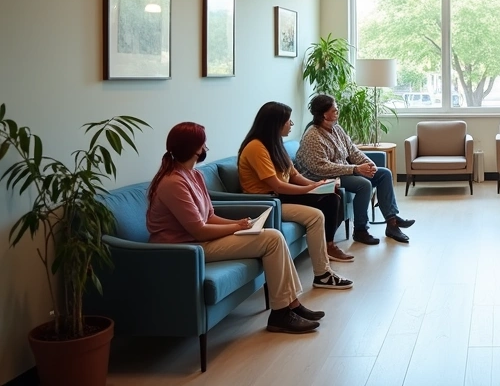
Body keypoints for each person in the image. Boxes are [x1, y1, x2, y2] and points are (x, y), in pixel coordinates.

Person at [147, 122, 323, 334]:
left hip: (199, 241)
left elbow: (209, 216)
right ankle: (281, 314)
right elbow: (199, 230)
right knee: (272, 239)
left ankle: (291, 306)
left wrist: (240, 224)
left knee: (273, 237)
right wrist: (235, 228)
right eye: (203, 143)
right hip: (186, 249)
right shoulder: (173, 182)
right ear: (194, 148)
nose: (206, 147)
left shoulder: (194, 175)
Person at [238, 101, 354, 289]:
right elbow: (277, 185)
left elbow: (294, 175)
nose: (291, 124)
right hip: (268, 202)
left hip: (280, 196)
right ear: (276, 123)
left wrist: (317, 185)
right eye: (288, 121)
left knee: (332, 195)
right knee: (318, 213)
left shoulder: (275, 144)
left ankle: (327, 254)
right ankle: (323, 273)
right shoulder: (256, 148)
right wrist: (310, 189)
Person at [295, 94, 415, 244]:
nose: (338, 112)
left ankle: (392, 222)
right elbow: (321, 167)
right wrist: (355, 169)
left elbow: (352, 151)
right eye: (335, 110)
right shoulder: (313, 136)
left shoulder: (336, 129)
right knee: (363, 185)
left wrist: (369, 165)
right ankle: (360, 230)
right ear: (325, 114)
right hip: (322, 178)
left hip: (342, 172)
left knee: (384, 174)